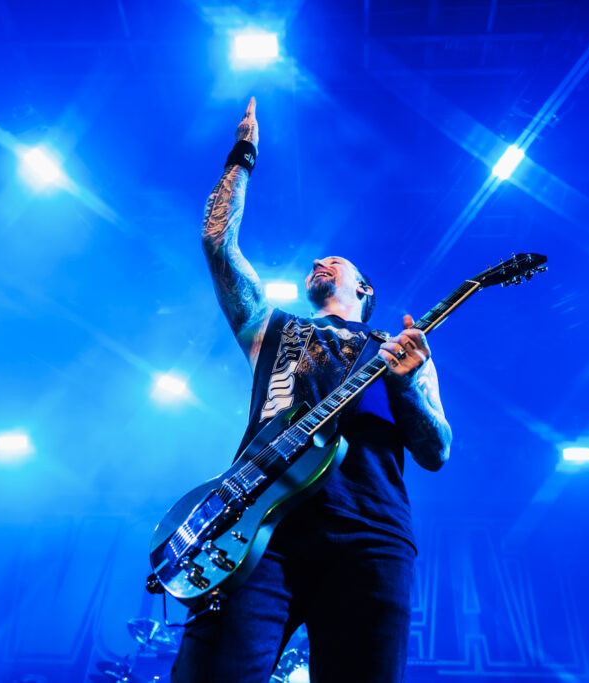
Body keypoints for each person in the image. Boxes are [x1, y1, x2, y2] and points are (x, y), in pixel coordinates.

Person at [170, 97, 452, 683]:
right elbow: (218, 245)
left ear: (365, 289)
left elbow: (436, 450)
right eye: (319, 259)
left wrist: (404, 387)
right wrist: (242, 155)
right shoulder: (272, 328)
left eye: (337, 260)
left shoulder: (401, 348)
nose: (321, 259)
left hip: (370, 529)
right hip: (256, 526)